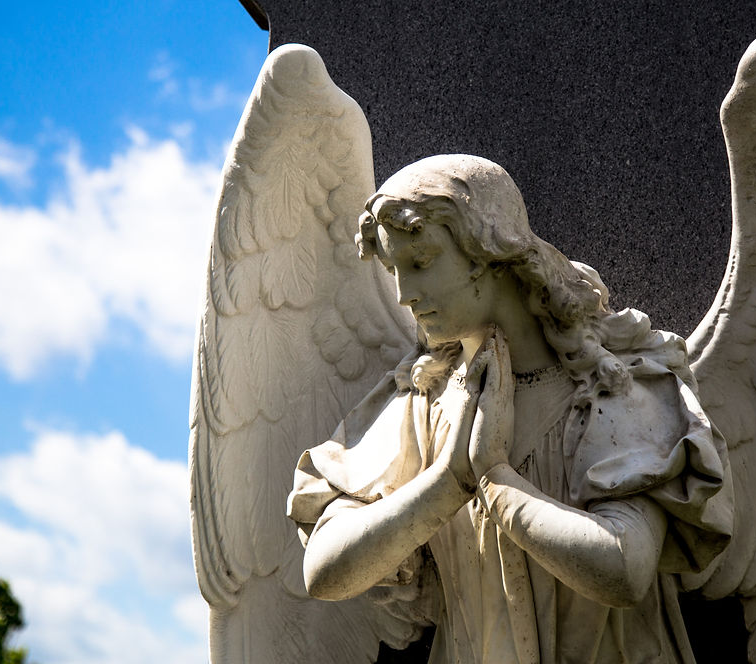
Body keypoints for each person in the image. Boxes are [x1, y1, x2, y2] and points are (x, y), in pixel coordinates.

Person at [286, 155, 733, 663]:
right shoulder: (421, 403)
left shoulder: (611, 385)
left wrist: (495, 479)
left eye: (421, 261)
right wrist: (449, 481)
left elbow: (625, 568)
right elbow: (324, 570)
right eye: (394, 270)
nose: (405, 295)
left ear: (484, 251)